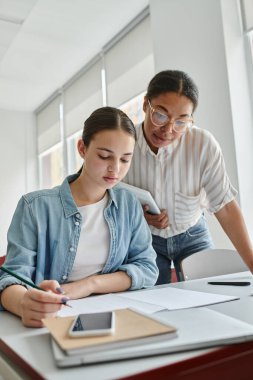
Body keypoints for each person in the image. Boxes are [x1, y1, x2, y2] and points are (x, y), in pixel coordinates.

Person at [0, 106, 158, 327]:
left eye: (125, 160)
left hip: (114, 316)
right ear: (82, 148)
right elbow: (11, 278)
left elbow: (147, 268)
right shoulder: (35, 207)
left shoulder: (128, 204)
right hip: (53, 318)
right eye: (104, 156)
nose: (115, 169)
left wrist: (90, 284)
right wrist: (24, 303)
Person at [123, 70, 253, 284]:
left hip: (192, 233)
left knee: (209, 294)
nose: (168, 129)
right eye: (161, 115)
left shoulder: (202, 144)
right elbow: (106, 197)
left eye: (181, 122)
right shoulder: (125, 142)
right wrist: (137, 216)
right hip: (145, 239)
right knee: (153, 301)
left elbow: (226, 209)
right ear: (146, 105)